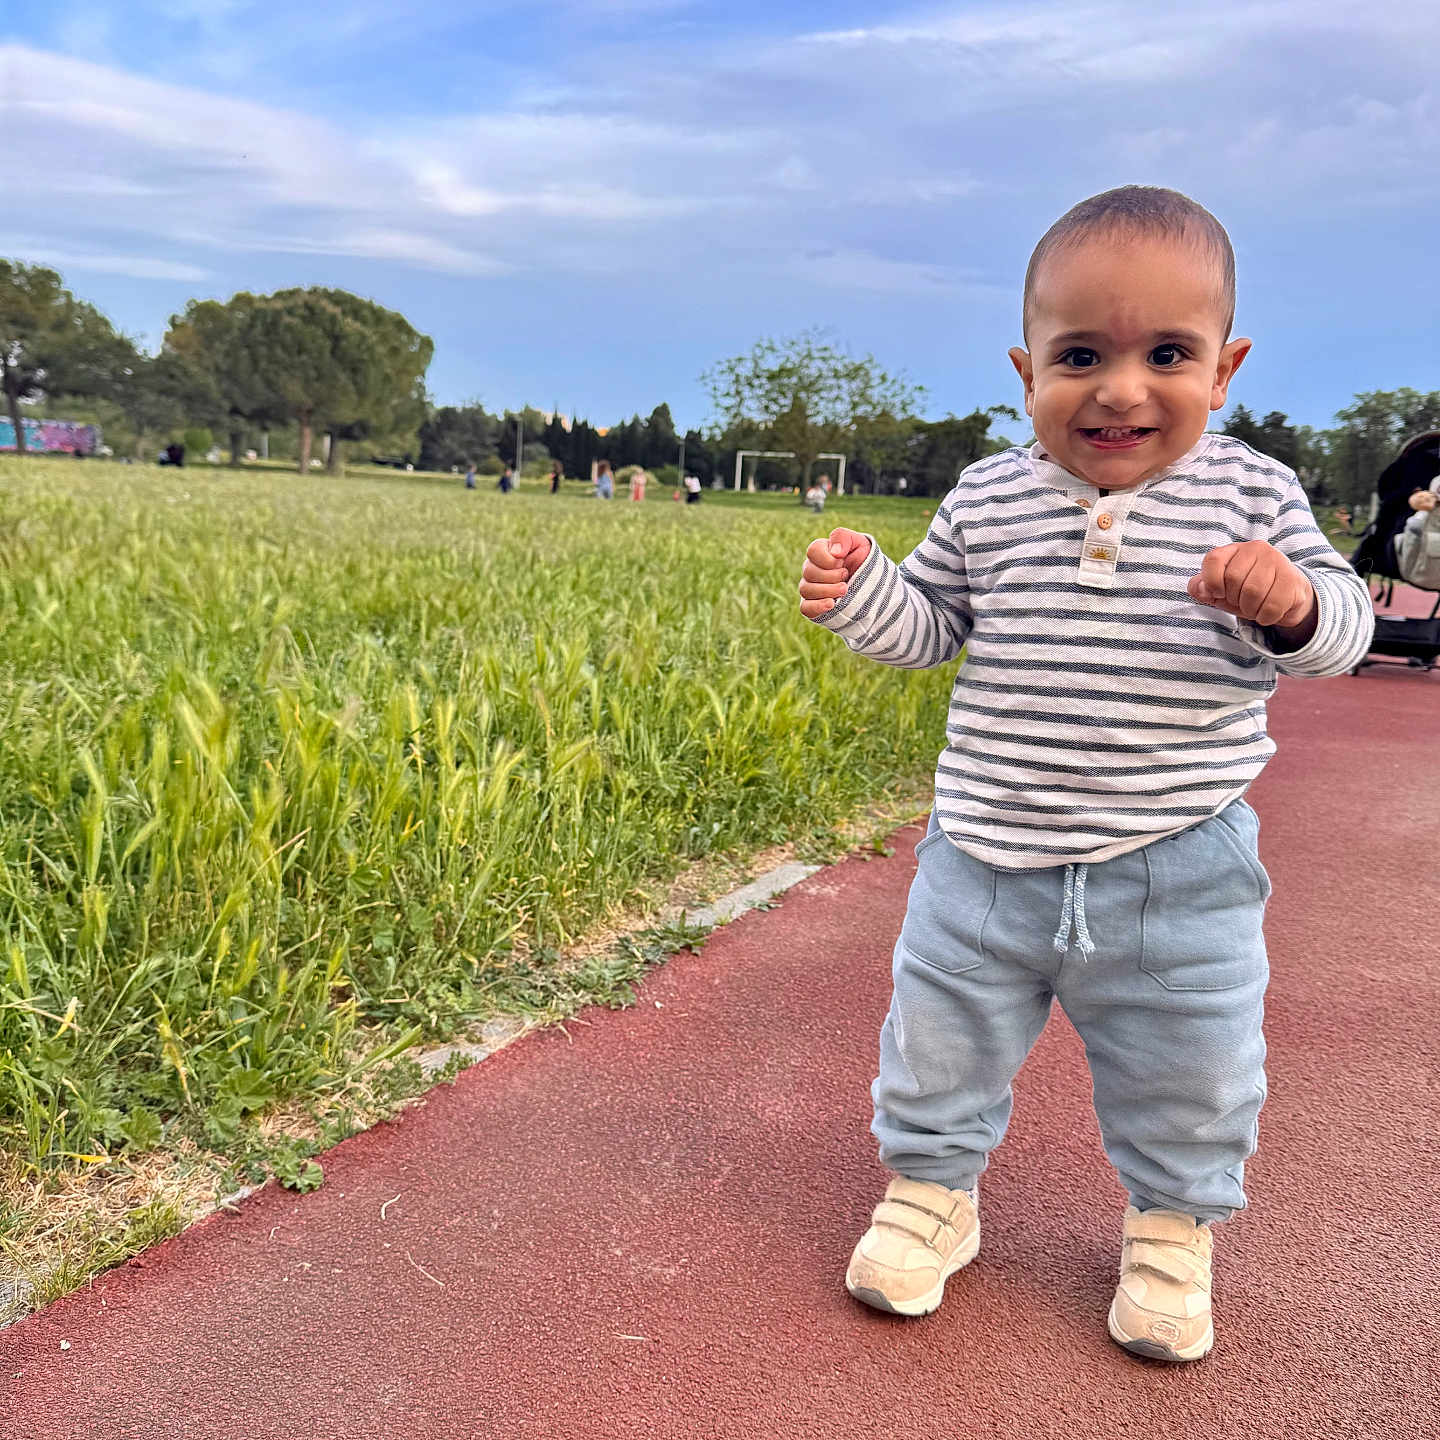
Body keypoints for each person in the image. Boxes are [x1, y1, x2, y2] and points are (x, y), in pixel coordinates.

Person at [797, 186, 1373, 1363]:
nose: (1119, 387)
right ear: (1025, 370)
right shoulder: (991, 496)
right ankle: (931, 1194)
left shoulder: (1252, 494)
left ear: (1226, 368)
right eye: (1079, 355)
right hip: (985, 850)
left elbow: (1349, 630)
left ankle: (1172, 1225)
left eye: (1168, 352)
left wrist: (1294, 601)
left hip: (1178, 858)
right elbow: (935, 625)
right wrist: (866, 595)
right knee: (939, 1037)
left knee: (1193, 1058)